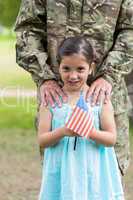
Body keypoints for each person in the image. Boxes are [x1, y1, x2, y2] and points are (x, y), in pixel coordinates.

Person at [15, 0, 133, 176]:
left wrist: (109, 74)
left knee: (108, 175)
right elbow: (28, 29)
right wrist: (45, 77)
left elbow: (129, 29)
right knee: (61, 174)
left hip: (108, 94)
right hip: (56, 96)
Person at [38, 36, 124, 200]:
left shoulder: (99, 99)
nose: (73, 75)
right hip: (61, 172)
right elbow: (42, 140)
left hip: (94, 173)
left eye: (80, 69)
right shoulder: (51, 100)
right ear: (58, 67)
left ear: (91, 68)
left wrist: (89, 131)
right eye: (66, 69)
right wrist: (64, 131)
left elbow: (111, 138)